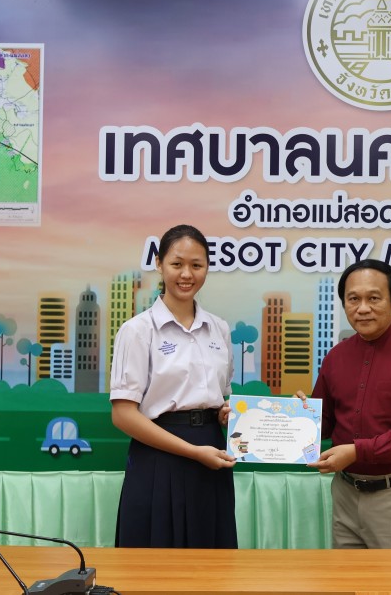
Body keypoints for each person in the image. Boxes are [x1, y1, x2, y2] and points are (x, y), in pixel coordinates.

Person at [298, 259, 391, 549]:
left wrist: (357, 451)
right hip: (346, 493)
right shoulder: (336, 356)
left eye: (374, 298)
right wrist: (296, 416)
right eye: (353, 299)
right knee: (346, 576)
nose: (362, 308)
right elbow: (322, 424)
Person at [109, 224, 237, 548]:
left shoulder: (219, 329)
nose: (186, 274)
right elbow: (123, 415)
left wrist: (225, 414)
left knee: (211, 559)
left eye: (197, 265)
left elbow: (221, 398)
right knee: (155, 560)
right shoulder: (137, 330)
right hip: (158, 457)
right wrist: (193, 452)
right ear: (159, 263)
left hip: (212, 453)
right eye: (177, 264)